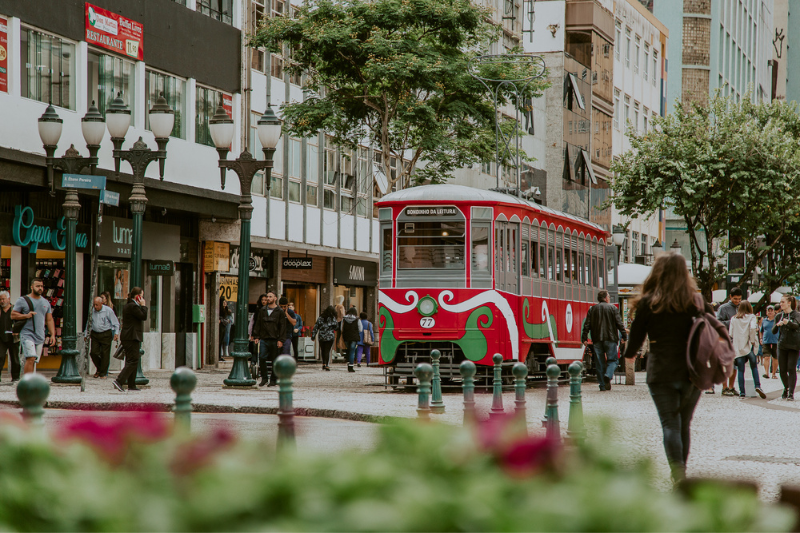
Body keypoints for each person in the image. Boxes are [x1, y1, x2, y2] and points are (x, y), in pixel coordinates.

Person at [623, 252, 714, 483]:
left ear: (658, 273)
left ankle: (678, 476)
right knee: (684, 424)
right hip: (691, 371)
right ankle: (681, 477)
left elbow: (633, 344)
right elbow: (715, 329)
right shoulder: (697, 301)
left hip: (661, 371)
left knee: (670, 424)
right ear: (685, 274)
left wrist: (629, 355)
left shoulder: (649, 302)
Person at [581, 289, 627, 391]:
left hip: (597, 339)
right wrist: (624, 336)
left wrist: (584, 338)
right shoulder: (613, 308)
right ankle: (608, 375)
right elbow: (619, 324)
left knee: (599, 363)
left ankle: (602, 385)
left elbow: (587, 325)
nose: (609, 298)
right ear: (605, 298)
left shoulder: (592, 309)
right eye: (609, 297)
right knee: (613, 360)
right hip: (610, 339)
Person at [11, 278, 56, 375]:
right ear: (32, 287)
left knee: (34, 359)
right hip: (27, 333)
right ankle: (27, 382)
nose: (40, 288)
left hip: (40, 335)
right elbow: (13, 315)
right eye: (37, 286)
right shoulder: (22, 300)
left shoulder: (46, 302)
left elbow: (49, 319)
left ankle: (31, 381)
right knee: (30, 357)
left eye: (41, 286)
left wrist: (52, 335)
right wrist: (26, 315)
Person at [729, 301, 766, 399]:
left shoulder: (734, 318)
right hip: (749, 346)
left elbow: (731, 333)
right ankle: (757, 386)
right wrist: (752, 340)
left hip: (738, 347)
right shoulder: (752, 317)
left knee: (741, 370)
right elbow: (753, 328)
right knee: (754, 367)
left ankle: (742, 393)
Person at [114, 287, 147, 392]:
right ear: (137, 296)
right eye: (141, 296)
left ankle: (131, 385)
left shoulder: (130, 306)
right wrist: (143, 306)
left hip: (129, 337)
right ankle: (119, 380)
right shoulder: (133, 306)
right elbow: (143, 316)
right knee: (133, 360)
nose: (142, 298)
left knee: (130, 360)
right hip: (131, 337)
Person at [252, 291, 289, 387]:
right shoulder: (262, 310)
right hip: (264, 338)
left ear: (275, 298)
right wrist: (256, 336)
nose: (268, 298)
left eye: (270, 297)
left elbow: (282, 326)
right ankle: (264, 378)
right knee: (262, 358)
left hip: (275, 339)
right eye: (267, 297)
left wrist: (281, 340)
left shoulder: (280, 311)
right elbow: (258, 323)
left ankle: (273, 379)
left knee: (275, 360)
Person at [715, 287, 743, 396]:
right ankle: (724, 387)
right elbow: (718, 323)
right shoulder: (723, 308)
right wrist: (732, 321)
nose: (737, 301)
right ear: (730, 297)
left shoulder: (741, 307)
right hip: (725, 339)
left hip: (738, 340)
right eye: (735, 299)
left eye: (739, 299)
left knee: (735, 364)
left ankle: (731, 387)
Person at [772, 294, 800, 400]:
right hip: (782, 345)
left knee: (791, 368)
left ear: (789, 303)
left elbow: (796, 325)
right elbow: (773, 331)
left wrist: (788, 323)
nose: (781, 304)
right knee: (783, 370)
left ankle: (791, 393)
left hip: (794, 345)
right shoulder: (779, 316)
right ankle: (786, 387)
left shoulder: (797, 314)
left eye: (783, 302)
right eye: (780, 302)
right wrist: (778, 324)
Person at [90, 296, 120, 379]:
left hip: (105, 333)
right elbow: (89, 323)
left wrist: (116, 333)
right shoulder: (92, 310)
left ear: (101, 304)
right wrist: (86, 333)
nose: (95, 307)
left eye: (97, 305)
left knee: (105, 354)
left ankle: (103, 373)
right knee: (93, 353)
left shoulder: (108, 310)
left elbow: (115, 323)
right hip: (95, 333)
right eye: (94, 305)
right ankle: (100, 368)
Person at [0, 291, 21, 382]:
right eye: (0, 299)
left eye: (3, 299)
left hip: (13, 338)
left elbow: (21, 321)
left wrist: (17, 330)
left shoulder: (15, 309)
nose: (2, 301)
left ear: (9, 299)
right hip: (1, 338)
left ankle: (16, 377)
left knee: (15, 358)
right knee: (0, 357)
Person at [311, 306, 338, 371]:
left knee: (323, 350)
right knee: (327, 350)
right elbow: (336, 327)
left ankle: (323, 363)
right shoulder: (333, 318)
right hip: (330, 336)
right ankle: (327, 365)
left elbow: (316, 327)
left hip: (321, 336)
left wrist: (313, 335)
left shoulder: (320, 318)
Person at [341, 306, 363, 373]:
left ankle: (348, 361)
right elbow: (360, 329)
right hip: (354, 337)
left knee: (348, 349)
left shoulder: (344, 319)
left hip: (346, 336)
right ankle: (350, 366)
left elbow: (341, 328)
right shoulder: (357, 319)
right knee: (352, 351)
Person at [761, 305, 779, 379]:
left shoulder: (777, 320)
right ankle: (766, 372)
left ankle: (774, 373)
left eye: (771, 310)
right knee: (766, 357)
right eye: (769, 310)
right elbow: (761, 330)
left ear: (774, 312)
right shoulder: (764, 320)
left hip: (776, 340)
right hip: (766, 340)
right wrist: (760, 338)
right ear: (766, 312)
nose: (770, 312)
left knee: (775, 357)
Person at [219, 297, 232, 362]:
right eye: (223, 302)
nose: (224, 303)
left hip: (225, 325)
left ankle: (224, 351)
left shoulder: (228, 311)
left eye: (225, 302)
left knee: (226, 335)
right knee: (220, 338)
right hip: (221, 325)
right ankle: (220, 353)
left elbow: (230, 320)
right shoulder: (220, 310)